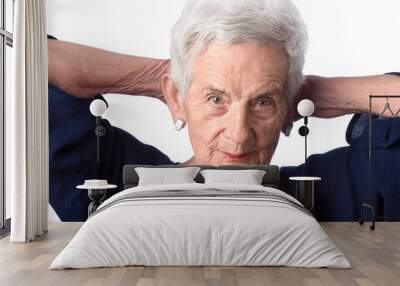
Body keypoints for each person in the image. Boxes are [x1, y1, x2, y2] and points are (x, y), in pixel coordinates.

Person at [48, 0, 400, 222]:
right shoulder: (113, 187)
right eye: (216, 99)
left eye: (263, 102)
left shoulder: (338, 192)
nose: (238, 135)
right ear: (177, 96)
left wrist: (312, 93)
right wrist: (159, 80)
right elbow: (31, 66)